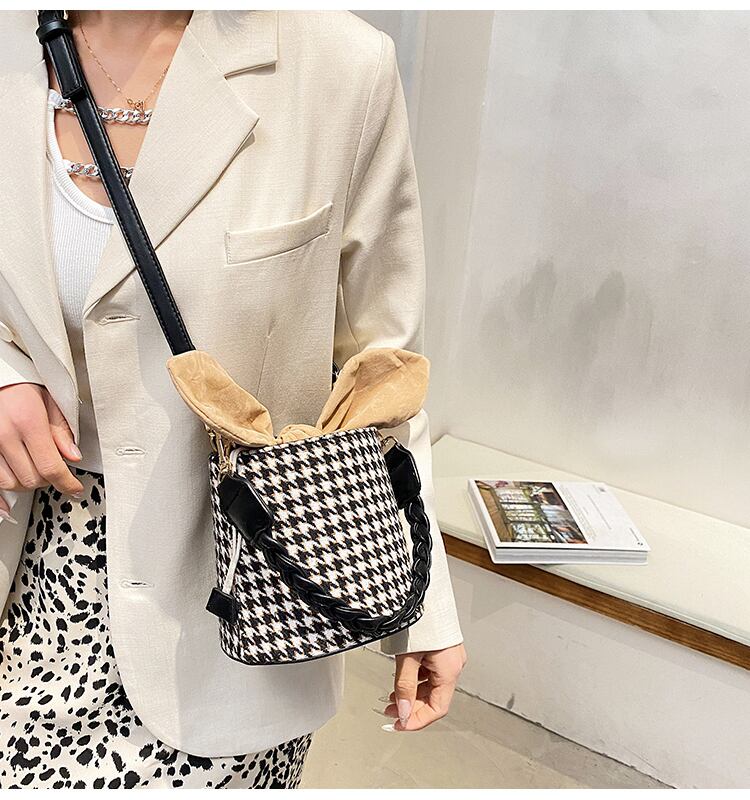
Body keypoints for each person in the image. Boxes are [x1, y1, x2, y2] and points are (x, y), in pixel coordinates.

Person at [0, 10, 467, 789]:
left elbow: (381, 367)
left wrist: (423, 605)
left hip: (236, 592)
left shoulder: (338, 67)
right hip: (28, 565)